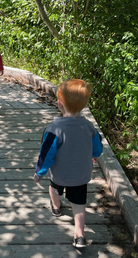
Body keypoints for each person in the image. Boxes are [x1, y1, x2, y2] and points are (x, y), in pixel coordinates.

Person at [33, 79, 103, 248]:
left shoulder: (54, 129)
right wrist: (95, 155)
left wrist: (39, 172)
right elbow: (97, 147)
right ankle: (79, 236)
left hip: (60, 175)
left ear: (59, 104)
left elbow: (46, 154)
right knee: (79, 205)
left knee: (54, 189)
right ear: (84, 105)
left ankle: (56, 208)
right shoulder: (88, 126)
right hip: (81, 176)